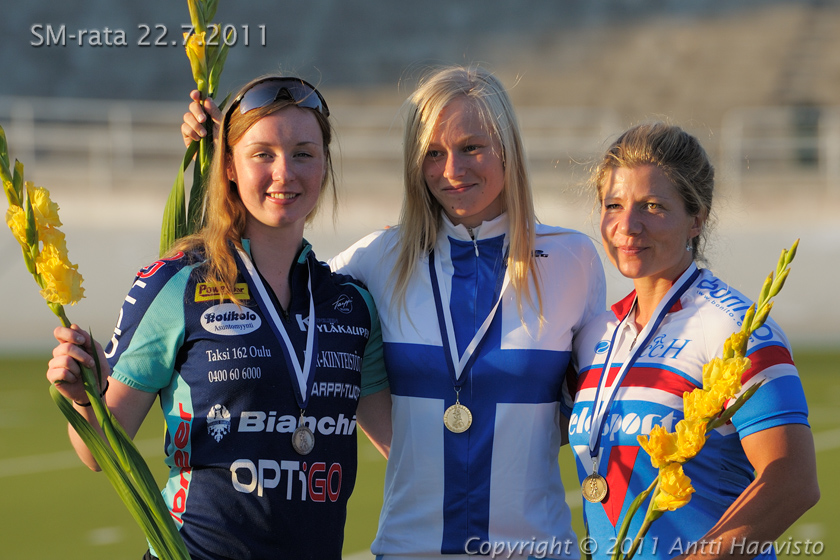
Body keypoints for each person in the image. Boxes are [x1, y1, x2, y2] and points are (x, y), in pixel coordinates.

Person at [183, 64, 607, 559]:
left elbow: (591, 407)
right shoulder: (378, 258)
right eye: (433, 153)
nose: (452, 170)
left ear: (508, 149)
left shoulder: (572, 260)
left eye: (472, 147)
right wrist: (216, 156)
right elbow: (253, 282)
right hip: (409, 549)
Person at [47, 75, 392, 560]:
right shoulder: (175, 284)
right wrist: (86, 401)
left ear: (325, 165)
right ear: (229, 165)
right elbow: (96, 452)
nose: (284, 173)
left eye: (303, 153)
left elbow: (401, 446)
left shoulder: (352, 302)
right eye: (262, 154)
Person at [566, 122, 819, 559]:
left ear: (696, 217)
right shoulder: (595, 334)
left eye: (653, 206)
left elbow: (793, 481)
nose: (629, 225)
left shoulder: (734, 329)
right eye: (614, 205)